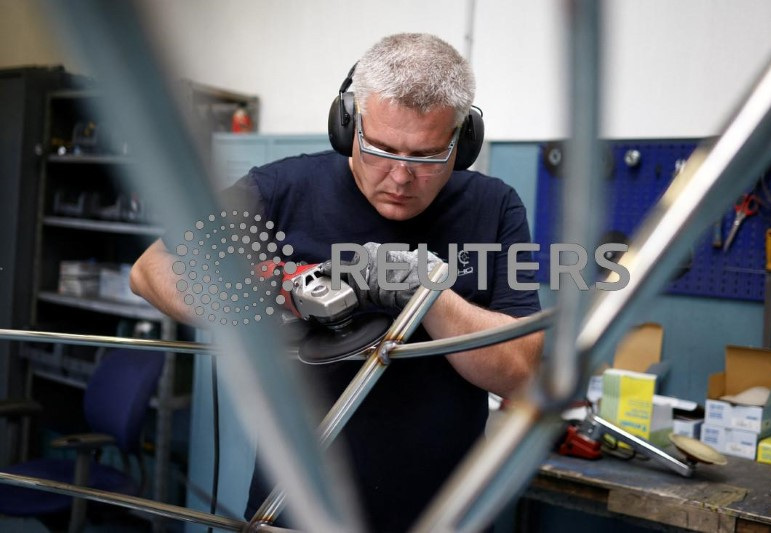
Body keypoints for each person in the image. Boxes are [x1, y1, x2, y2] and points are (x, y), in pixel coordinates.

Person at [130, 32, 544, 532]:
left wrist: (423, 289)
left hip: (445, 515)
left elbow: (522, 370)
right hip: (291, 510)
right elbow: (152, 269)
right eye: (382, 149)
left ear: (464, 140)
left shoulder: (495, 207)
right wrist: (269, 294)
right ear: (348, 124)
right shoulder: (281, 191)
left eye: (428, 156)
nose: (400, 177)